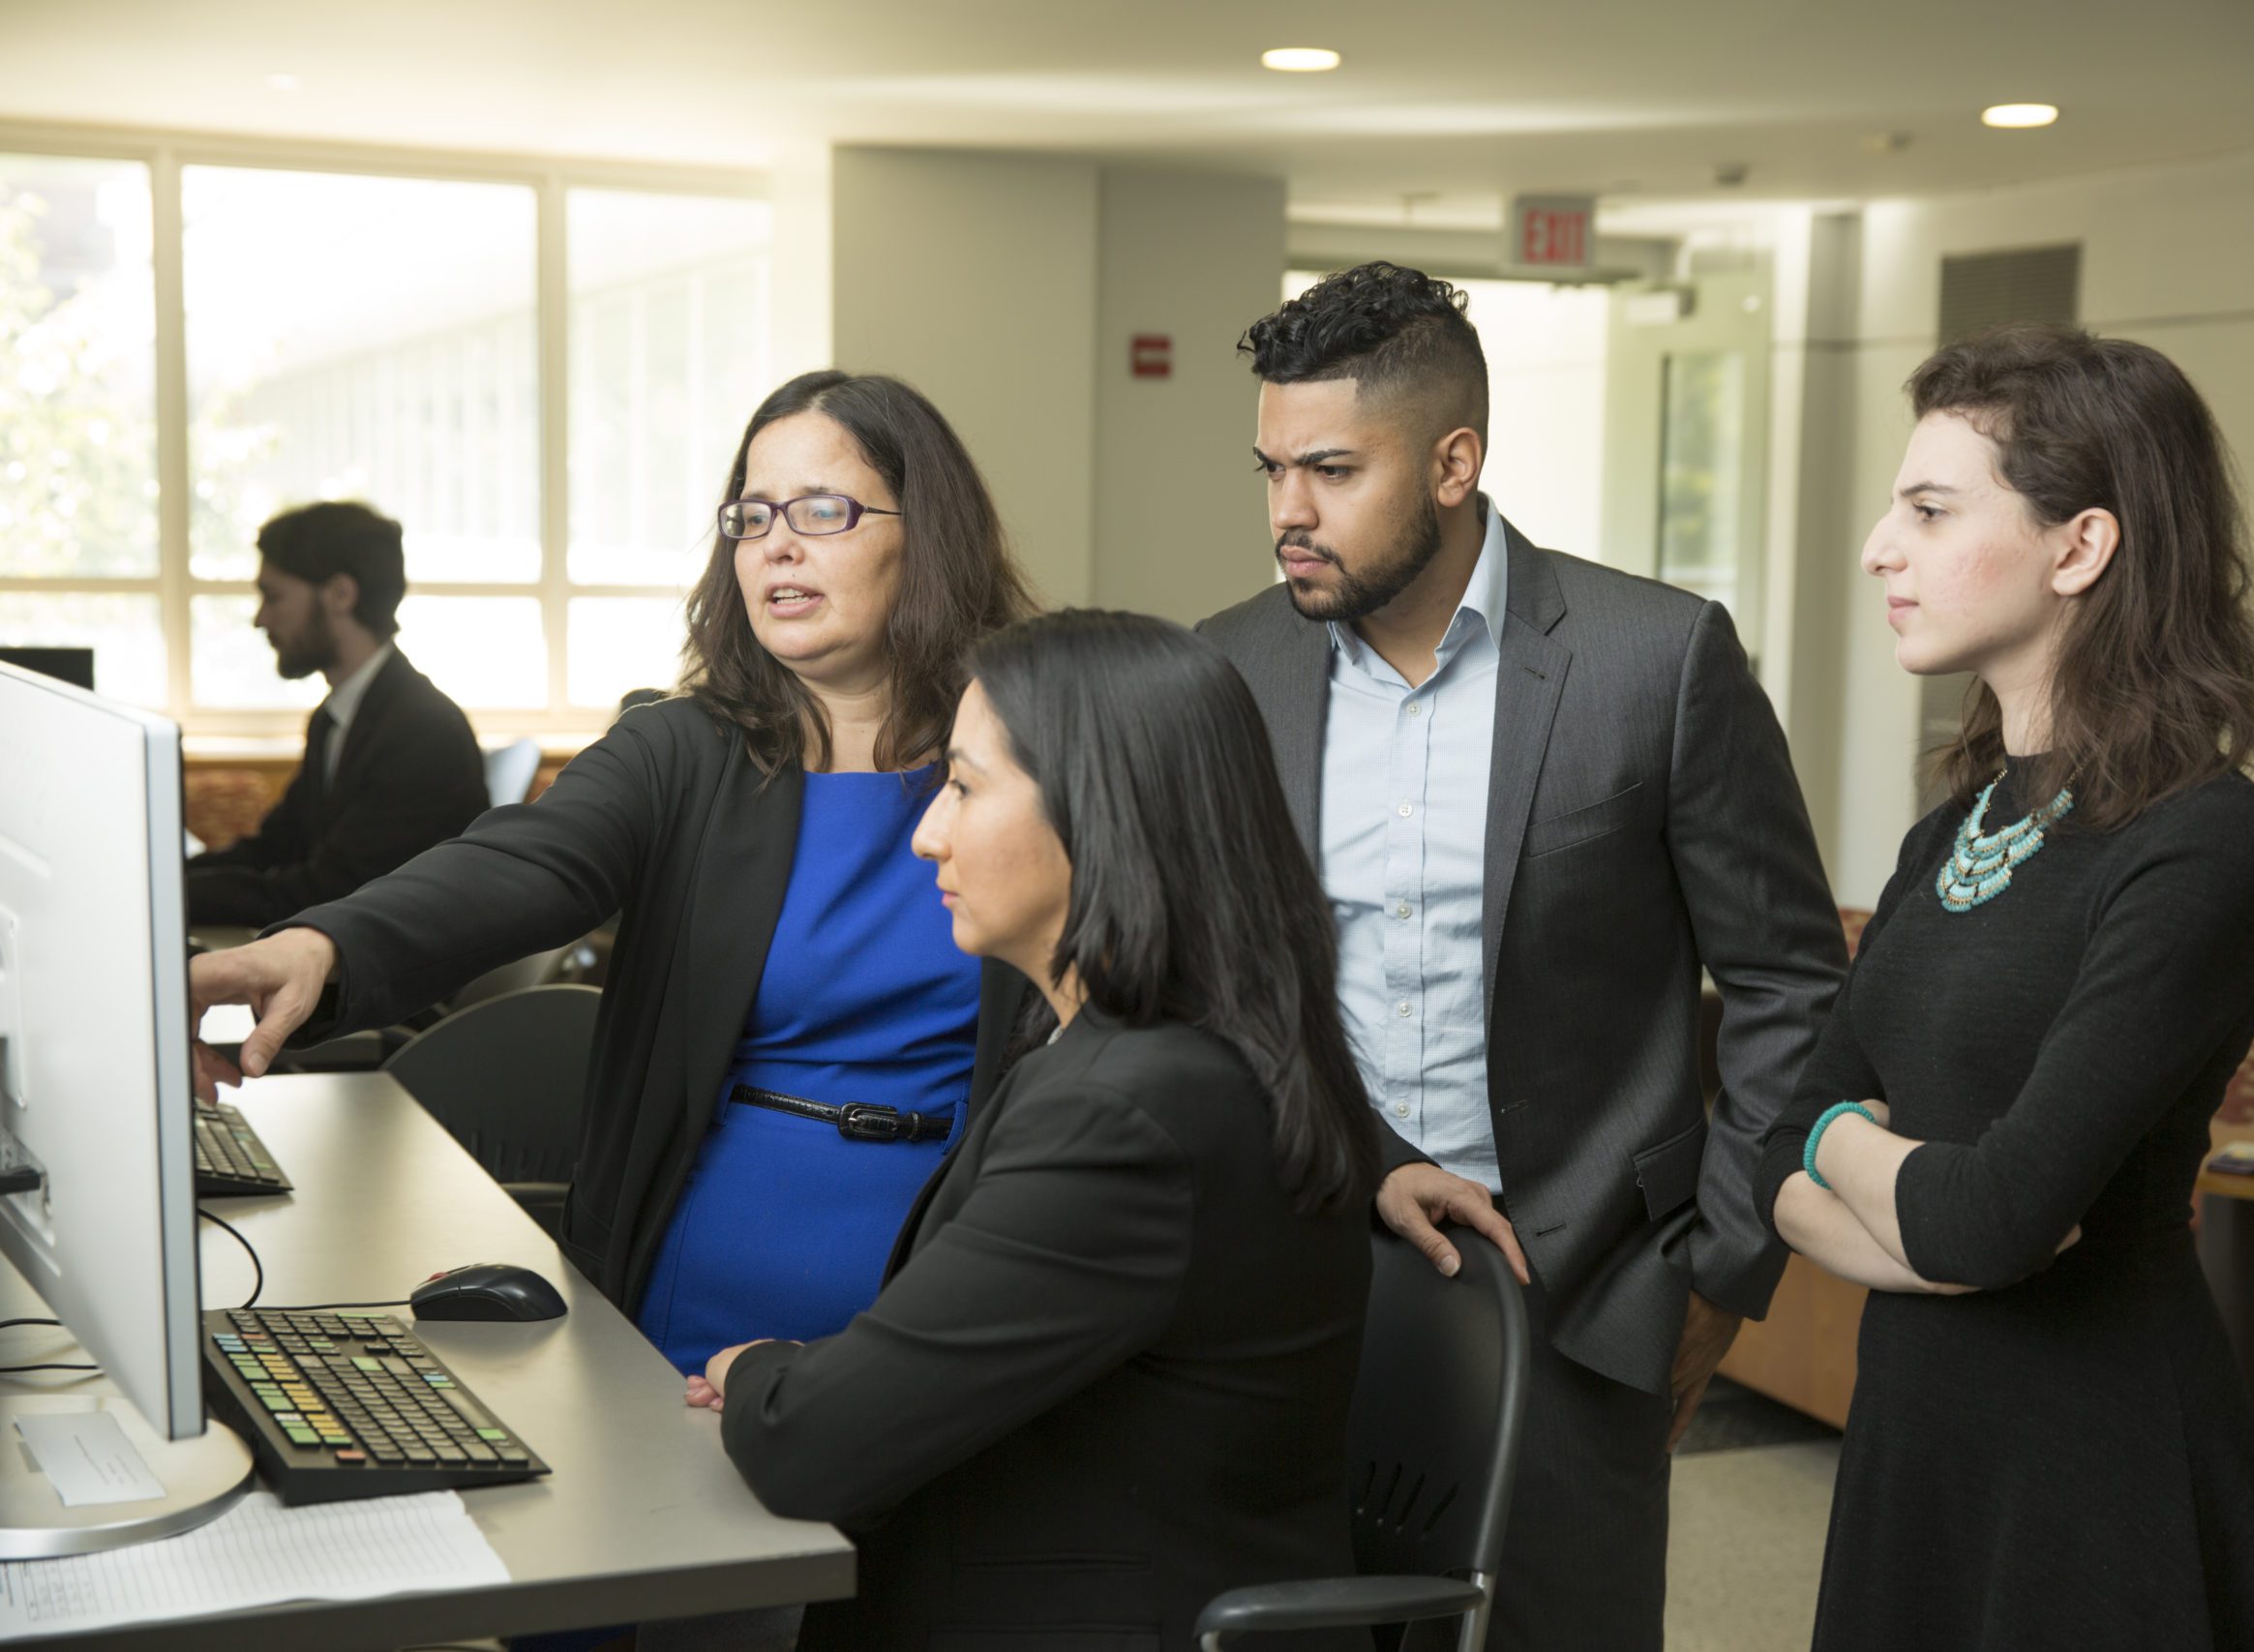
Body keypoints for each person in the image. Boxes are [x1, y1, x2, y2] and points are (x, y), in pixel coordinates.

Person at [1199, 261, 1848, 1649]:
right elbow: (1219, 984)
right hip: (1299, 1263)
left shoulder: (1653, 658)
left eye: (1328, 468)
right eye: (1270, 468)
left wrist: (1721, 1270)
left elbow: (1792, 979)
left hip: (1583, 1295)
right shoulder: (1232, 669)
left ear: (1454, 460)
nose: (1286, 513)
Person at [189, 370, 1038, 1374]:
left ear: (927, 532)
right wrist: (322, 944)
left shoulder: (1033, 756)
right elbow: (522, 861)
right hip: (705, 1262)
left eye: (823, 509)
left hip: (959, 1274)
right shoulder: (682, 749)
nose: (775, 543)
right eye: (752, 514)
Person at [1756, 324, 2254, 1648]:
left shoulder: (2211, 842)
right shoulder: (1950, 829)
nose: (1877, 547)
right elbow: (1787, 1145)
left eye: (1930, 508)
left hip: (2100, 1470)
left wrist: (1855, 1158)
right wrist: (1901, 1197)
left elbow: (1993, 1214)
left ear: (2081, 546)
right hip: (1917, 1443)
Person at [692, 611, 1381, 1651]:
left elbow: (808, 1452)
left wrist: (756, 1371)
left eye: (963, 787)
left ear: (1099, 812)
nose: (928, 831)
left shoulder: (1129, 1113)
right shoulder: (1143, 1046)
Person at [185, 501, 487, 926]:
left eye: (273, 597)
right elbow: (277, 846)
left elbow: (326, 893)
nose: (260, 618)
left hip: (402, 986)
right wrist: (164, 880)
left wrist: (168, 897)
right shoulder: (336, 718)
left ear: (341, 595)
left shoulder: (423, 732)